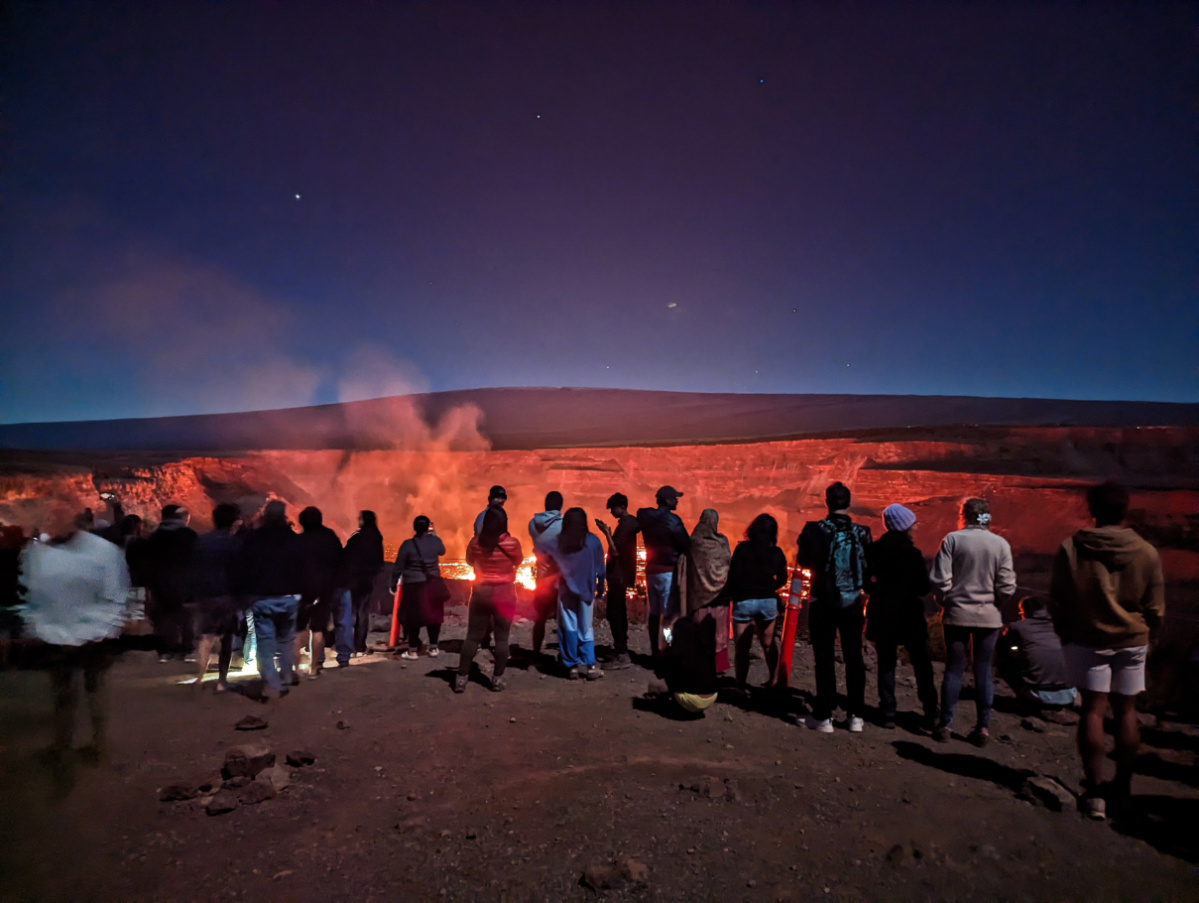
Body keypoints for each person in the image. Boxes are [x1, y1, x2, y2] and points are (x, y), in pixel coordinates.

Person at [1048, 481, 1165, 820]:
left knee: (1093, 712)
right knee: (1127, 712)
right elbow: (1155, 607)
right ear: (1125, 510)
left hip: (1086, 639)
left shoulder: (1072, 548)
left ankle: (1095, 791)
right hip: (1132, 639)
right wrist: (1151, 637)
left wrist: (1065, 632)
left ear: (1092, 510)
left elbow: (1058, 598)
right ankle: (1123, 790)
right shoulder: (1146, 551)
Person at [18, 523, 129, 760]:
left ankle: (92, 743)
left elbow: (114, 594)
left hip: (90, 636)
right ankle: (68, 744)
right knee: (67, 692)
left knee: (89, 689)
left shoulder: (99, 551)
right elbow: (32, 593)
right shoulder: (40, 552)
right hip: (61, 634)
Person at [930, 497, 1016, 747]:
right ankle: (983, 728)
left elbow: (940, 578)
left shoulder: (953, 540)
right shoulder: (1000, 544)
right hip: (988, 617)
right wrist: (996, 602)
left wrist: (946, 600)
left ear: (964, 515)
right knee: (983, 670)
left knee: (954, 670)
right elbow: (1008, 585)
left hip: (957, 614)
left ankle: (945, 724)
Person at [797, 482, 872, 733]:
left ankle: (824, 716)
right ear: (848, 503)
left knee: (824, 659)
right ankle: (856, 716)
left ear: (827, 503)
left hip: (822, 601)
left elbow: (803, 560)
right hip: (853, 603)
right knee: (854, 658)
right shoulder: (863, 532)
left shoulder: (813, 530)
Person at [865, 504, 938, 731]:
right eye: (913, 523)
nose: (916, 527)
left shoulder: (874, 550)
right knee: (922, 665)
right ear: (904, 526)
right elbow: (923, 588)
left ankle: (887, 712)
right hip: (908, 615)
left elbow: (866, 583)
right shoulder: (912, 554)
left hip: (882, 614)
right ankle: (931, 712)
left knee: (886, 664)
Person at [233, 501, 303, 700]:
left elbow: (242, 568)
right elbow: (302, 568)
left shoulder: (253, 540)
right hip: (289, 597)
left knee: (265, 644)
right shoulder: (293, 539)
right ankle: (287, 676)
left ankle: (272, 686)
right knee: (285, 641)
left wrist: (242, 594)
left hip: (262, 598)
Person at [457, 508, 523, 693]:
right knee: (502, 638)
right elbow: (518, 561)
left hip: (481, 593)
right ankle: (497, 679)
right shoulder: (512, 544)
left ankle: (461, 678)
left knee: (472, 636)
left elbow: (470, 561)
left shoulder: (476, 543)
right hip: (505, 594)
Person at [725, 514, 788, 693]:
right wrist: (770, 588)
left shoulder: (742, 549)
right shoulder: (776, 552)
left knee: (742, 649)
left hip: (744, 602)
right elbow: (783, 578)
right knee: (768, 644)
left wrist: (735, 594)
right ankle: (774, 680)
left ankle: (741, 685)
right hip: (767, 602)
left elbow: (733, 577)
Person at [189, 503, 243, 692]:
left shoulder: (200, 542)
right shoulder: (236, 544)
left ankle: (199, 677)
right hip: (228, 596)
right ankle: (221, 681)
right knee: (227, 639)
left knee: (206, 637)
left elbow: (193, 569)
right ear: (235, 521)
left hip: (206, 595)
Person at [549, 507, 606, 680]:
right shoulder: (594, 542)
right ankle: (590, 666)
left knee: (569, 627)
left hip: (566, 590)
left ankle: (571, 666)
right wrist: (601, 587)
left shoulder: (558, 542)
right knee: (585, 628)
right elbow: (600, 568)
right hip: (587, 590)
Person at [636, 486, 690, 660]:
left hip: (651, 571)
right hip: (668, 572)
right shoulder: (672, 521)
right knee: (669, 617)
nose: (677, 501)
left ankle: (654, 650)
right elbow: (685, 543)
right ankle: (667, 650)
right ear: (667, 500)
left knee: (654, 613)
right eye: (674, 498)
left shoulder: (647, 518)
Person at [998, 596, 1077, 713]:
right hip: (1070, 694)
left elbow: (1002, 644)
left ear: (1023, 611)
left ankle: (1025, 702)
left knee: (1004, 663)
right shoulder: (1059, 627)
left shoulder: (1018, 627)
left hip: (1038, 694)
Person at [293, 507, 346, 679]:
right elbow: (340, 561)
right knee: (318, 630)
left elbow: (293, 566)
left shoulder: (300, 540)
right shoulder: (330, 537)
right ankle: (314, 669)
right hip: (324, 591)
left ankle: (296, 669)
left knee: (297, 630)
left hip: (301, 591)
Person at [145, 504, 198, 662]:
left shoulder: (155, 537)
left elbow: (149, 562)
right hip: (185, 582)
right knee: (186, 617)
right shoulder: (189, 535)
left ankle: (165, 650)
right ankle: (186, 649)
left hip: (160, 582)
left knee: (164, 618)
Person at [391, 515, 447, 659]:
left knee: (412, 618)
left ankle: (413, 650)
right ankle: (433, 647)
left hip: (413, 586)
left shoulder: (408, 544)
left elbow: (398, 566)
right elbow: (442, 551)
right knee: (434, 616)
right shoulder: (435, 541)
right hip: (432, 585)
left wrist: (393, 583)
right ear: (428, 527)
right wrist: (434, 534)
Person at [595, 493, 639, 668]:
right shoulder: (630, 524)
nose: (612, 512)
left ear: (621, 507)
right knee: (618, 611)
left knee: (615, 613)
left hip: (618, 575)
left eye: (613, 509)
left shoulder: (625, 526)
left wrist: (606, 533)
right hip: (623, 575)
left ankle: (622, 653)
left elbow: (615, 552)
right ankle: (621, 648)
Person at [654, 612, 719, 716]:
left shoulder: (676, 652)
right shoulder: (704, 647)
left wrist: (666, 644)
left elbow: (659, 673)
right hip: (712, 696)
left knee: (669, 670)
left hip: (692, 700)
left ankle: (679, 704)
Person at [344, 510, 384, 663]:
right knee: (363, 612)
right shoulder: (376, 538)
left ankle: (348, 646)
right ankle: (359, 645)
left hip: (353, 579)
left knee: (351, 612)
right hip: (367, 580)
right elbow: (379, 561)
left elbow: (345, 556)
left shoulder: (356, 538)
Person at [528, 492, 564, 658]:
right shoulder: (564, 525)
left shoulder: (532, 524)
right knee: (563, 618)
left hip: (542, 578)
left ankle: (536, 653)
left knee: (540, 618)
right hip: (560, 577)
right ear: (560, 506)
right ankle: (565, 655)